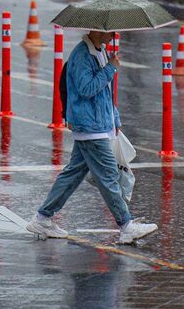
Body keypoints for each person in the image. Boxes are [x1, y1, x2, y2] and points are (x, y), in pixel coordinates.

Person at [26, 30, 157, 245]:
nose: (113, 33)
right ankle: (126, 225)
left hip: (98, 124)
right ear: (97, 29)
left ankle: (43, 217)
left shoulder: (101, 51)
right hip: (89, 126)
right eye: (109, 30)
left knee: (73, 174)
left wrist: (114, 117)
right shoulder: (82, 56)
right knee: (108, 175)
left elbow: (105, 92)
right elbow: (86, 89)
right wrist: (110, 68)